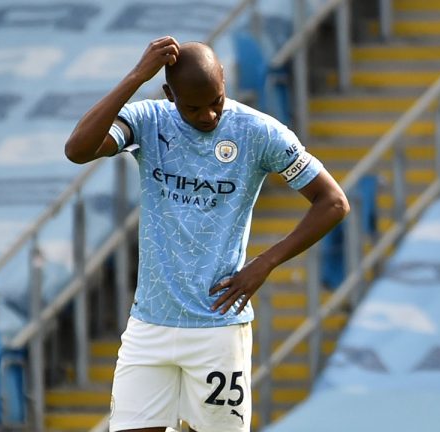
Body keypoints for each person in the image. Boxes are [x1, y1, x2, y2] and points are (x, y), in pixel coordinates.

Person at [64, 36, 349, 432]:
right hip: (150, 326)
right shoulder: (148, 120)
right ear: (169, 93)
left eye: (216, 101)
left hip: (216, 329)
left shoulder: (258, 132)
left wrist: (265, 263)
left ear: (224, 84)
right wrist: (136, 76)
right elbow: (78, 150)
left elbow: (333, 202)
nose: (209, 116)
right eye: (194, 107)